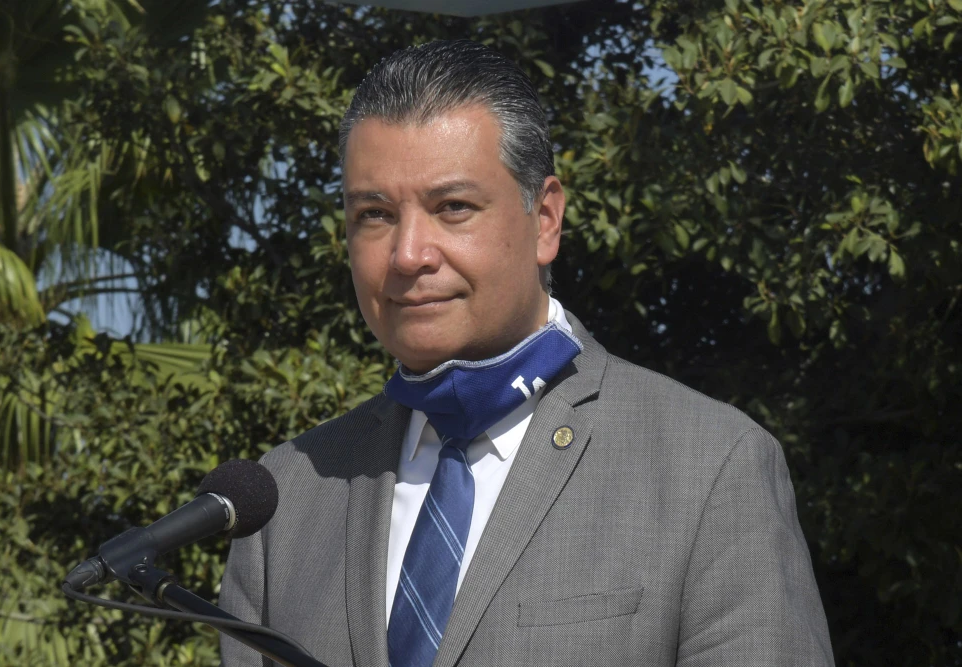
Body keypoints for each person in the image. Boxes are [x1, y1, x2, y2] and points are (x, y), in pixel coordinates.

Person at [218, 39, 834, 667]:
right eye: (374, 214)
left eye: (453, 208)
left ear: (544, 220)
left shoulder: (708, 464)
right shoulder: (285, 498)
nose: (408, 255)